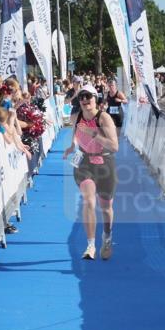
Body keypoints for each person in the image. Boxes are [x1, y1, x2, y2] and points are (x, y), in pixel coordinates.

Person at [63, 85, 120, 261]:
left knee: (106, 208)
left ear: (96, 98)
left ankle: (107, 237)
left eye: (89, 96)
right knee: (88, 200)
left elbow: (114, 146)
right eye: (82, 97)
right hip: (84, 162)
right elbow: (75, 131)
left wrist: (93, 133)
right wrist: (72, 146)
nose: (85, 100)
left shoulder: (104, 118)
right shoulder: (75, 117)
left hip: (105, 162)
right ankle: (90, 245)